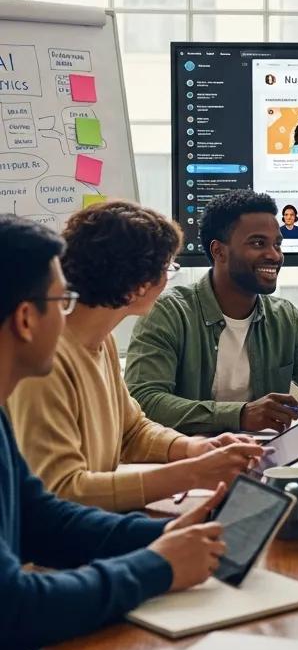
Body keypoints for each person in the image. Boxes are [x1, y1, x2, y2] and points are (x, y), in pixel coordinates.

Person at [0, 214, 227, 650]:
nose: (71, 313)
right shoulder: (50, 369)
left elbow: (45, 518)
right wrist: (156, 566)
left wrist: (163, 536)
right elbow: (14, 606)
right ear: (26, 320)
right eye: (61, 301)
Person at [8, 201, 265, 512]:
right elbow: (62, 489)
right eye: (168, 269)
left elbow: (132, 431)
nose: (169, 280)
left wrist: (194, 448)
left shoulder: (101, 343)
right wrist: (192, 474)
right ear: (137, 287)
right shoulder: (45, 363)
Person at [125, 189, 298, 436]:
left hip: (266, 458)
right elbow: (144, 401)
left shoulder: (283, 318)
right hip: (186, 463)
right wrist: (239, 415)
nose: (274, 255)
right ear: (219, 251)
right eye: (258, 243)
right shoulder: (169, 313)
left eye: (277, 244)